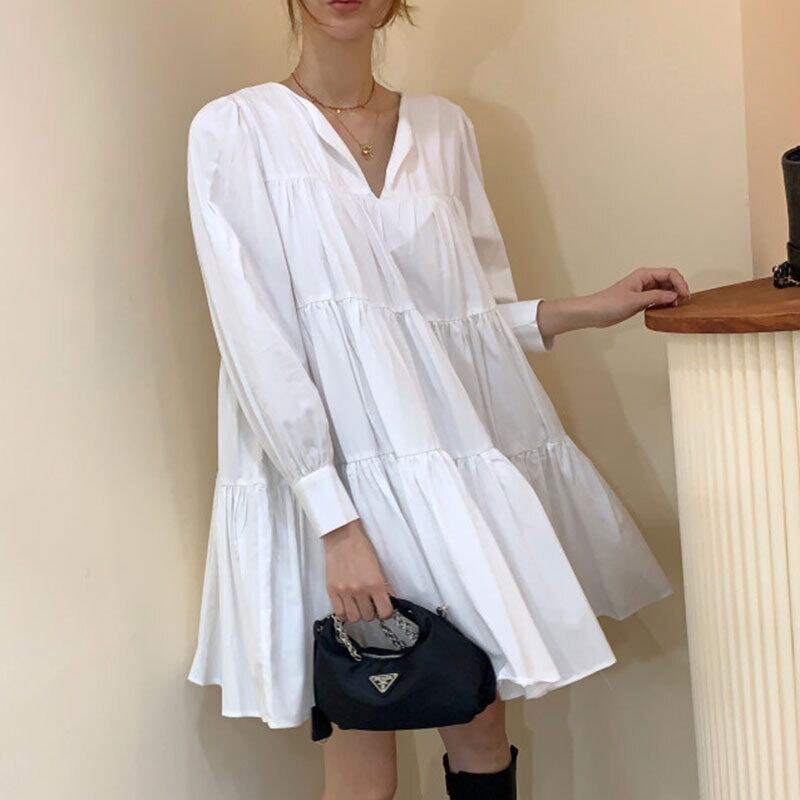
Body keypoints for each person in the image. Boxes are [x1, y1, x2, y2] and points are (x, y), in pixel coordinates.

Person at [185, 1, 690, 797]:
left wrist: (590, 308)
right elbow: (256, 341)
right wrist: (336, 524)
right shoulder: (236, 129)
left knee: (479, 723)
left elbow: (463, 322)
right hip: (333, 479)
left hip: (442, 463)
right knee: (363, 754)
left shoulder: (445, 130)